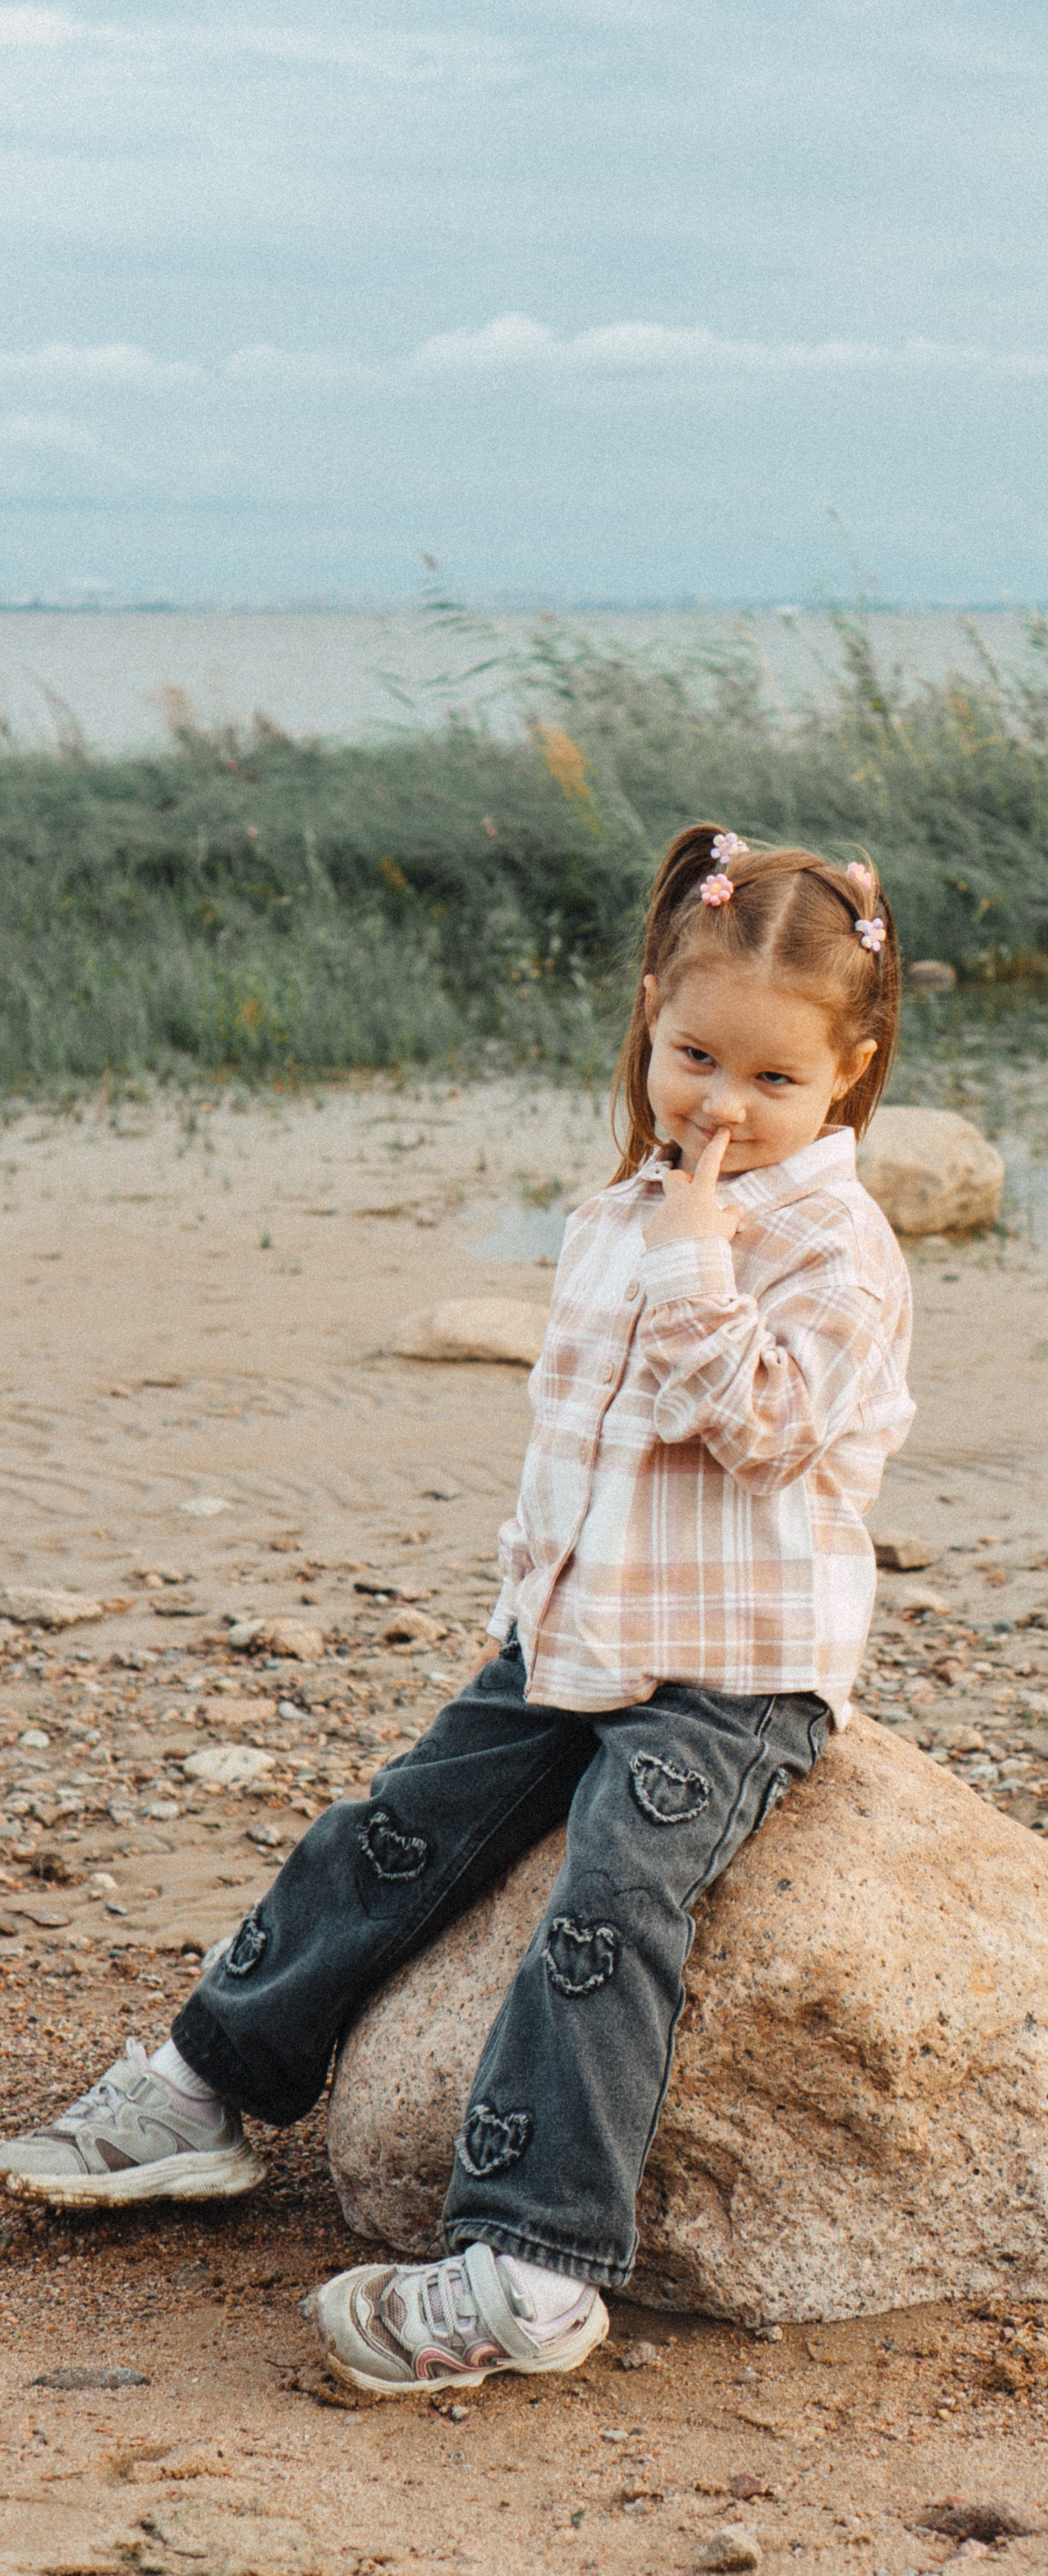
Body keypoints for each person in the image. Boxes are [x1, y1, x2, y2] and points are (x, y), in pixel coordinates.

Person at [0, 824, 914, 2397]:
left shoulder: (834, 1250)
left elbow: (758, 1427)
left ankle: (532, 2268)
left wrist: (702, 1252)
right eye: (693, 1056)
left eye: (770, 1081)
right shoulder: (626, 1206)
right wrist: (531, 1612)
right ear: (646, 1016)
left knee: (609, 1906)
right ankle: (206, 2086)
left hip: (732, 1678)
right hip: (577, 1643)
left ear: (849, 1071)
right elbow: (577, 1447)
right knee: (395, 1828)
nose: (718, 1106)